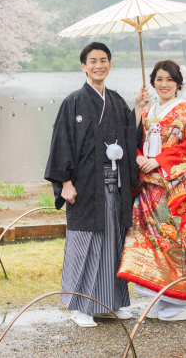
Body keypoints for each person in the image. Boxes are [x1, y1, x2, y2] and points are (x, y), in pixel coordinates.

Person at [45, 42, 149, 328]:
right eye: (93, 61)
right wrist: (65, 182)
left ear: (110, 65)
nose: (98, 65)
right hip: (85, 185)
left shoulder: (115, 100)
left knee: (111, 242)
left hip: (112, 184)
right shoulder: (74, 101)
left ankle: (110, 304)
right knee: (85, 242)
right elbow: (61, 143)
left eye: (104, 60)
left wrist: (138, 108)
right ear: (83, 66)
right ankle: (81, 306)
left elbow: (130, 135)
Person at [117, 60, 186, 322]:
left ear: (178, 83)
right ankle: (161, 296)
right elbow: (131, 138)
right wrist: (139, 157)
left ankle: (182, 304)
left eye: (169, 79)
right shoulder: (148, 111)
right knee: (152, 242)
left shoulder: (184, 110)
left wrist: (161, 160)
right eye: (159, 79)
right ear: (152, 83)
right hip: (148, 189)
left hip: (174, 191)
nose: (164, 84)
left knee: (174, 242)